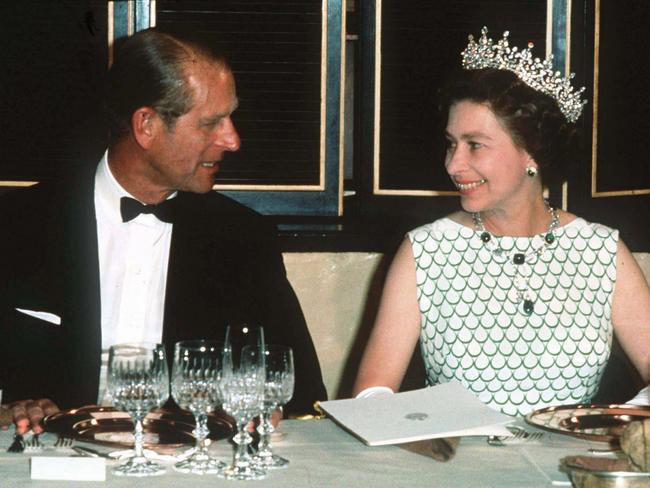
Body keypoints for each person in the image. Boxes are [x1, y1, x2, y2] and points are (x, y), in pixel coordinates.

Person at [0, 28, 326, 433]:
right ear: (146, 125)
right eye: (211, 123)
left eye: (231, 117)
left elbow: (304, 395)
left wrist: (264, 413)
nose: (233, 140)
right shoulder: (15, 223)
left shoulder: (244, 239)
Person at [353, 27, 650, 416]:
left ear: (532, 153)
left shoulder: (602, 250)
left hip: (567, 470)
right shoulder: (425, 251)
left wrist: (610, 424)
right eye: (451, 143)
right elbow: (370, 396)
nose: (453, 164)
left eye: (475, 145)